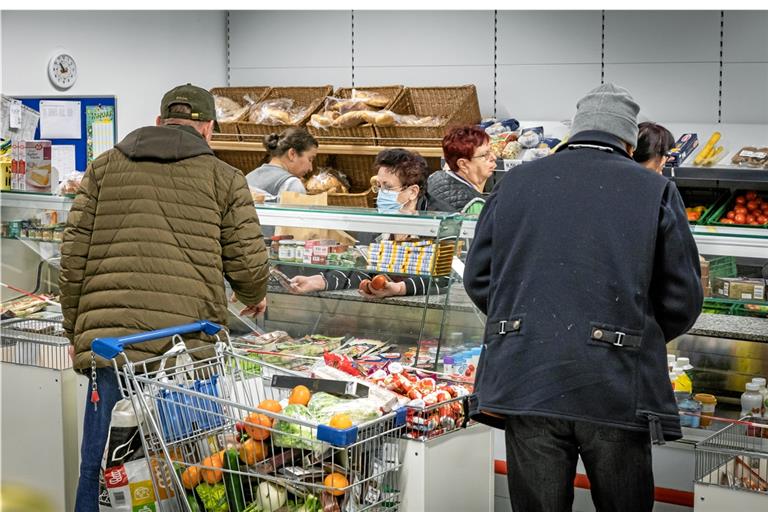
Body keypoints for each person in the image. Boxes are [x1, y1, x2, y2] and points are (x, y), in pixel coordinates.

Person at [463, 83, 703, 512]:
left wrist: (523, 326)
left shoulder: (514, 182)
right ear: (629, 141)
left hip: (527, 377)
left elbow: (479, 277)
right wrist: (635, 333)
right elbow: (682, 299)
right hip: (613, 381)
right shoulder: (653, 190)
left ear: (576, 131)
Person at [60, 83, 270, 511]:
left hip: (113, 351)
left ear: (159, 122)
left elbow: (72, 258)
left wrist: (74, 330)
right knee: (191, 472)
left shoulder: (103, 167)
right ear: (208, 128)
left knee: (103, 471)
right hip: (189, 354)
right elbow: (248, 267)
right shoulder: (225, 178)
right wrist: (255, 295)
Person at [289, 148, 446, 298]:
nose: (381, 194)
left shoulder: (441, 221)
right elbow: (361, 267)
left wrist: (400, 289)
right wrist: (318, 281)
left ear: (412, 192)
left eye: (388, 187)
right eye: (379, 186)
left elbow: (445, 278)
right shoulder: (378, 220)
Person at [426, 125, 496, 212]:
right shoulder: (475, 205)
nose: (494, 157)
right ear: (463, 164)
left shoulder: (434, 177)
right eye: (485, 155)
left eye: (491, 150)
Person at [246, 127, 318, 197]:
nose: (310, 168)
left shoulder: (248, 178)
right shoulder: (291, 185)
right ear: (292, 154)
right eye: (310, 159)